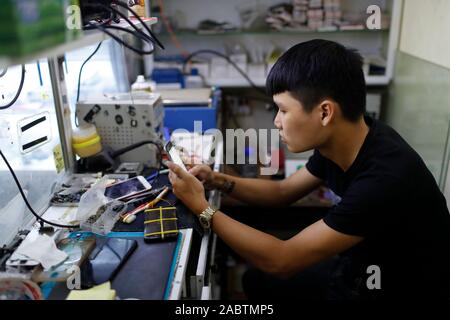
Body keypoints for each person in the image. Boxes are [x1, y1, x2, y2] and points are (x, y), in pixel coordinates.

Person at [167, 39, 450, 300]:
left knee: (269, 275)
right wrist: (216, 179)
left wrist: (202, 208)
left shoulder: (385, 178)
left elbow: (283, 260)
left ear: (325, 112)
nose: (276, 122)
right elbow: (282, 191)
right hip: (360, 265)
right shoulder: (349, 138)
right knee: (257, 281)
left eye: (283, 110)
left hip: (399, 289)